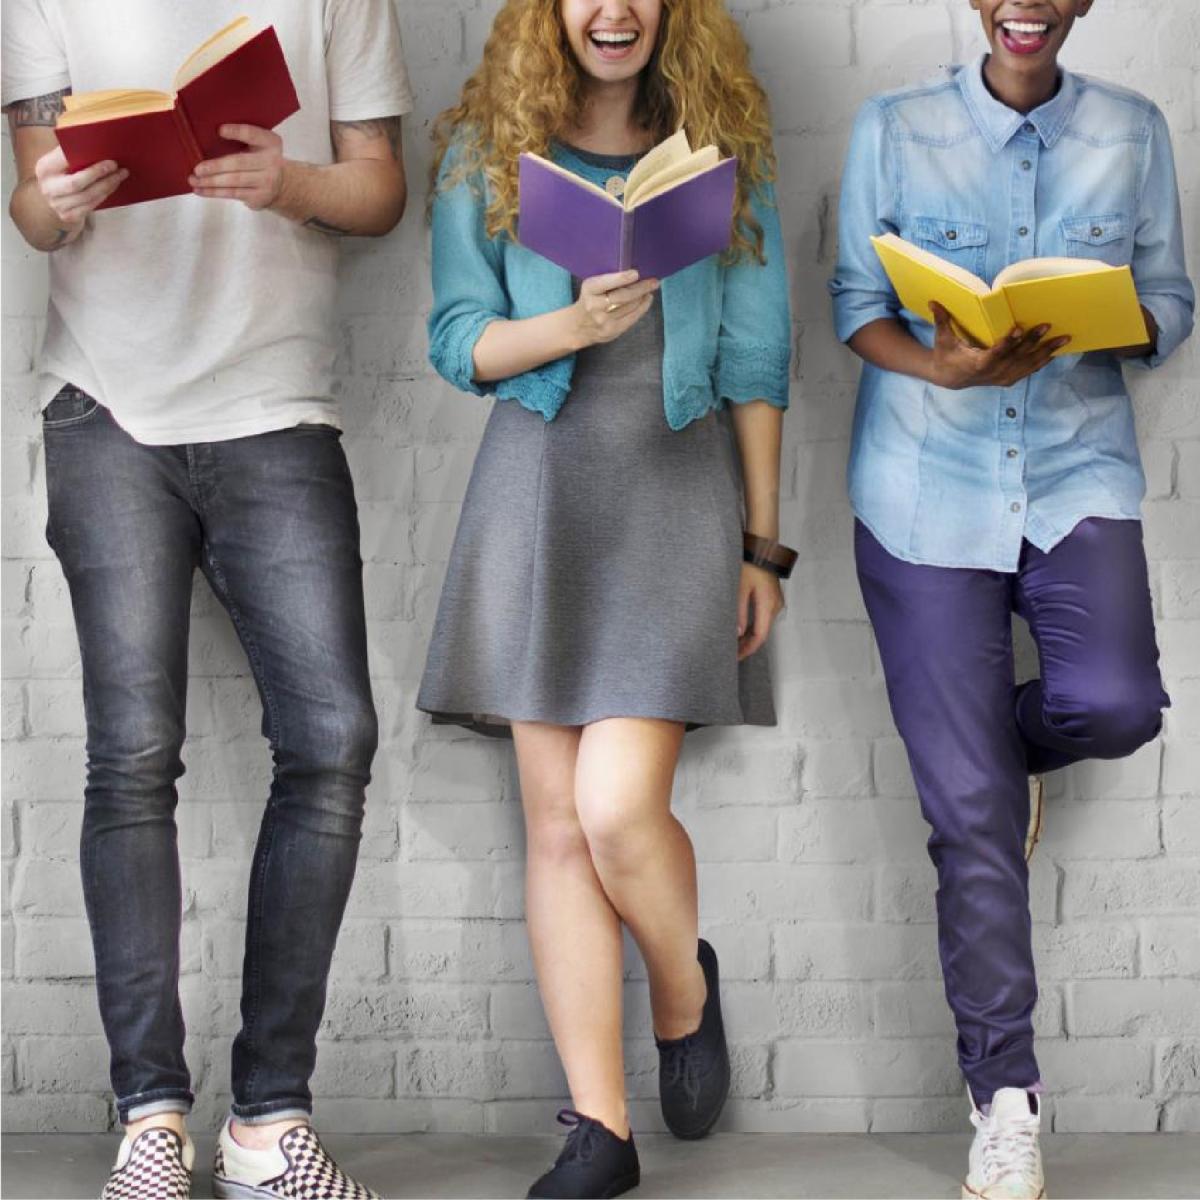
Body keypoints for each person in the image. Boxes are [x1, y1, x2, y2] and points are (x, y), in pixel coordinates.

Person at [2, 2, 413, 1196]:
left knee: (333, 740)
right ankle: (151, 1118)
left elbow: (380, 190)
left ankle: (266, 1119)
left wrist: (290, 186)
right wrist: (56, 203)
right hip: (104, 409)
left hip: (278, 407)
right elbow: (29, 206)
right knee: (131, 757)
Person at [418, 0, 793, 1194]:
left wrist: (765, 549)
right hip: (538, 496)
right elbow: (455, 341)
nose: (613, 9)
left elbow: (755, 360)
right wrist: (569, 324)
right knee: (555, 829)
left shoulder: (724, 151)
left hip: (676, 497)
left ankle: (685, 994)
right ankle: (601, 1128)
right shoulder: (489, 151)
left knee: (619, 812)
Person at [828, 1, 1194, 1197]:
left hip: (1076, 476)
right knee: (972, 825)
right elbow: (853, 307)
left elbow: (1173, 307)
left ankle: (999, 758)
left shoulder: (1135, 132)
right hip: (922, 490)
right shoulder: (894, 125)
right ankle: (1007, 1099)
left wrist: (1098, 322)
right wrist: (937, 360)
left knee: (1117, 706)